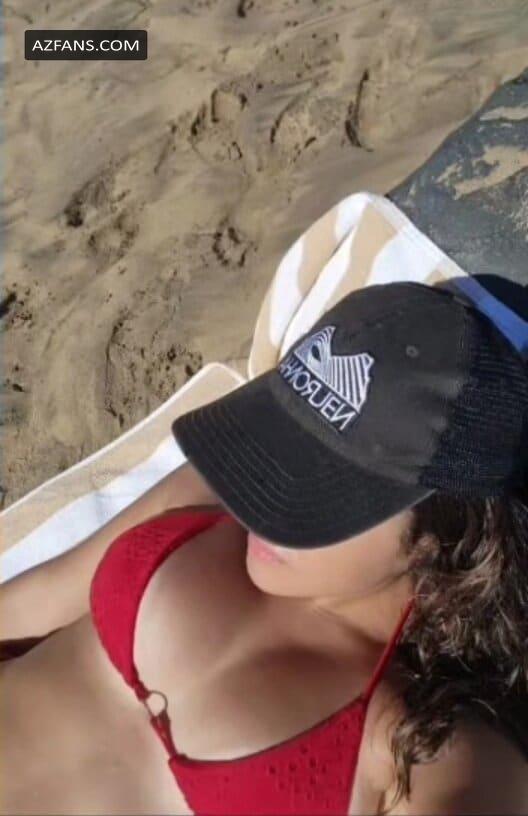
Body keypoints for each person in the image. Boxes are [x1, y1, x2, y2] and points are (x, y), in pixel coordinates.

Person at [1, 280, 527, 815]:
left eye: (319, 481)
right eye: (274, 443)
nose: (261, 497)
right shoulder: (218, 493)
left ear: (440, 539)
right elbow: (35, 599)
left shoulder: (427, 750)